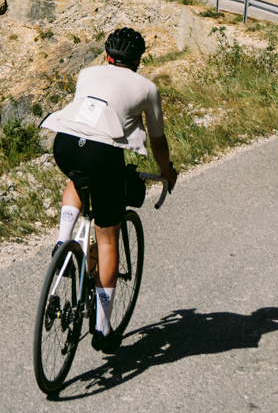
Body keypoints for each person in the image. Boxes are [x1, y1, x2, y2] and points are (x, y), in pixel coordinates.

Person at [41, 27, 179, 350]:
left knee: (77, 178)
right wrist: (166, 171)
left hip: (64, 143)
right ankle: (103, 329)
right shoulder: (147, 88)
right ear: (139, 60)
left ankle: (62, 242)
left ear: (106, 56)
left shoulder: (86, 74)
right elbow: (157, 141)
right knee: (107, 238)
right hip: (103, 155)